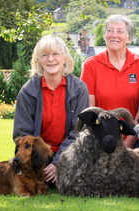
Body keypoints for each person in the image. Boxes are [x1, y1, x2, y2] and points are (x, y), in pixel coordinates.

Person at [12, 35, 90, 187]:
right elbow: (22, 134)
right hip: (37, 157)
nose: (50, 59)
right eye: (45, 55)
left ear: (65, 58)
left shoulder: (80, 89)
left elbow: (79, 132)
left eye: (56, 54)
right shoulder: (28, 91)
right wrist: (40, 163)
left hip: (70, 154)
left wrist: (57, 163)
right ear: (38, 60)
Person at [81, 14, 139, 148]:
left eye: (120, 31)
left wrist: (129, 142)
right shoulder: (90, 65)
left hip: (134, 140)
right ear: (104, 36)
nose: (114, 35)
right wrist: (105, 142)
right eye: (110, 30)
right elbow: (90, 109)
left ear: (129, 38)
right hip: (100, 140)